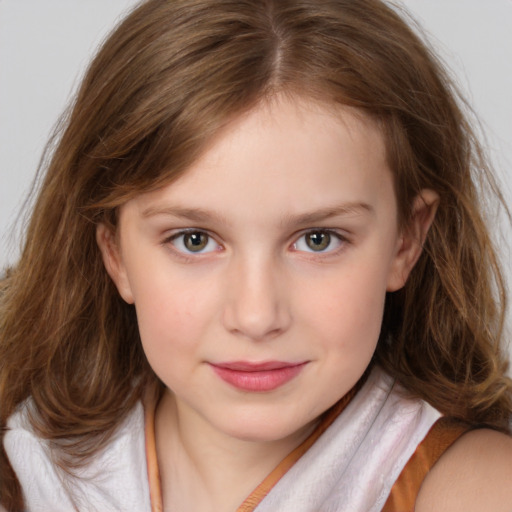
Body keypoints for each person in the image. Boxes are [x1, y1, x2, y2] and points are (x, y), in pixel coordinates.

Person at [1, 0, 511, 510]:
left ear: (406, 241)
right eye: (194, 240)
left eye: (318, 239)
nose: (256, 316)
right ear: (115, 254)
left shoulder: (477, 490)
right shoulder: (24, 468)